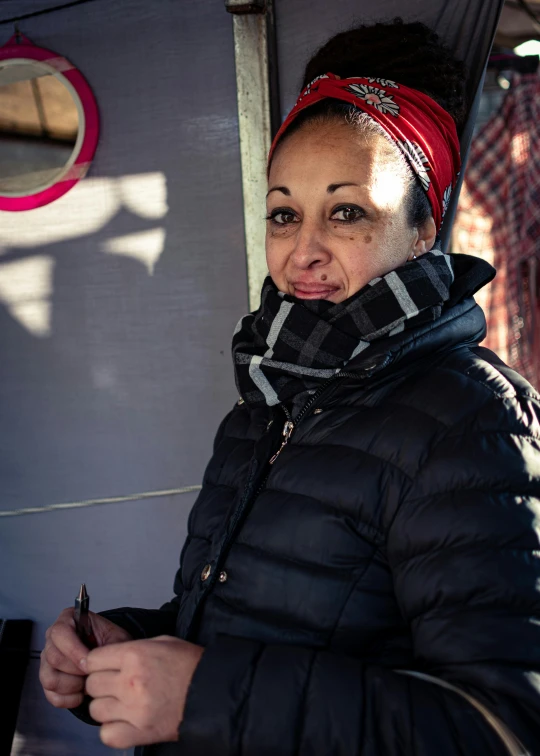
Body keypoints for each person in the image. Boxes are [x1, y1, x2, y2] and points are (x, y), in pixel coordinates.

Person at [40, 18, 540, 755]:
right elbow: (250, 627)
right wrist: (131, 648)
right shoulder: (267, 402)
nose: (303, 251)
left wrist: (203, 695)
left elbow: (504, 731)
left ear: (425, 226)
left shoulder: (473, 420)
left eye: (347, 212)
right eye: (283, 213)